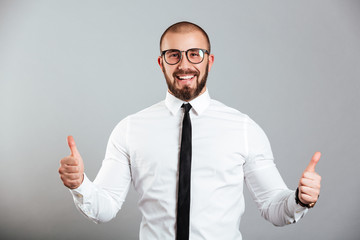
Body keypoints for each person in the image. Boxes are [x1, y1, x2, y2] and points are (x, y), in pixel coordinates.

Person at [58, 21, 321, 240]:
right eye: (174, 55)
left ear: (210, 60)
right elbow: (104, 208)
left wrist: (299, 199)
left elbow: (273, 207)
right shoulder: (130, 130)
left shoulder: (243, 129)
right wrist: (80, 184)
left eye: (195, 54)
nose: (185, 65)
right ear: (161, 63)